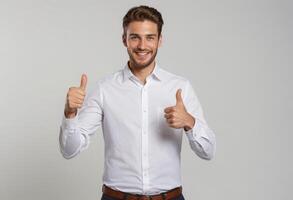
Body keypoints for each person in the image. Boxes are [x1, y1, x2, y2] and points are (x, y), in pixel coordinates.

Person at [59, 5, 216, 200]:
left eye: (150, 37)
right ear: (124, 39)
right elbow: (69, 150)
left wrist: (189, 123)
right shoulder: (105, 89)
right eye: (135, 37)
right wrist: (70, 114)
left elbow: (208, 152)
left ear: (160, 40)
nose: (142, 46)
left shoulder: (180, 87)